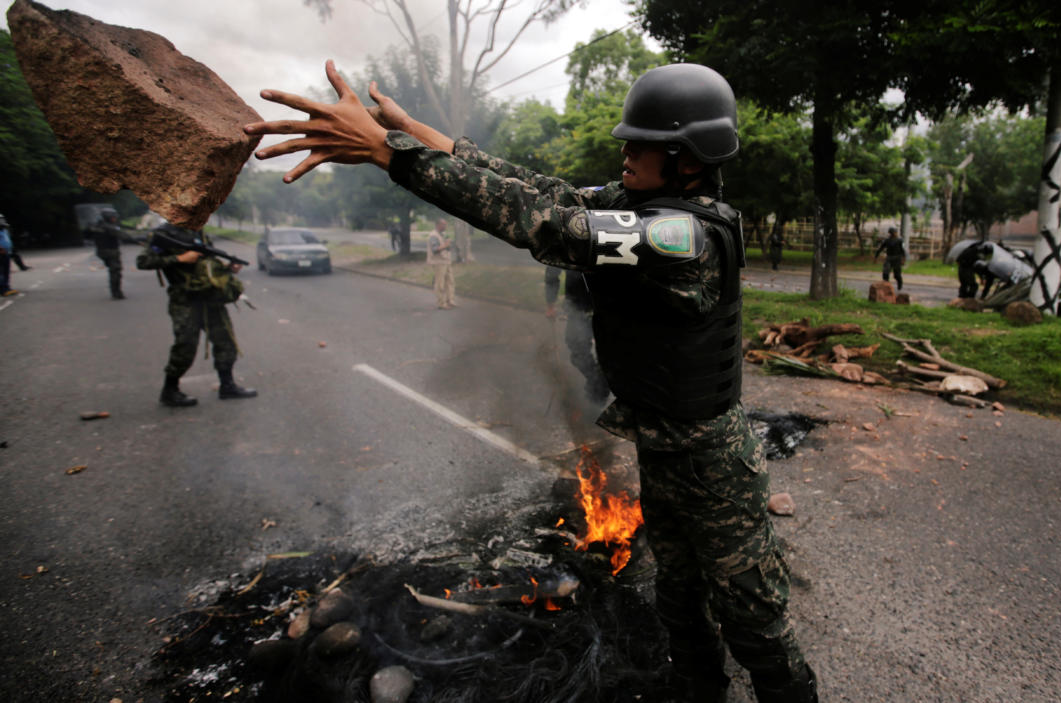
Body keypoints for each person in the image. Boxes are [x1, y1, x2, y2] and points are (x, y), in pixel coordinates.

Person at [244, 60, 819, 703]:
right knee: (679, 606)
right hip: (665, 451)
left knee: (756, 627)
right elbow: (543, 191)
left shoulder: (683, 234)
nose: (625, 152)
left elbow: (542, 224)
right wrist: (417, 134)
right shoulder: (643, 207)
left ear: (687, 157)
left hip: (713, 465)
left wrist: (386, 154)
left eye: (641, 144)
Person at [135, 222, 257, 406]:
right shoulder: (163, 234)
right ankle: (170, 391)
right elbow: (143, 262)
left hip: (209, 296)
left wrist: (228, 267)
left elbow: (208, 262)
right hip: (185, 300)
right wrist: (180, 259)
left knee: (225, 341)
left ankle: (227, 385)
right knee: (185, 346)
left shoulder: (197, 230)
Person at [544, 265, 609, 405]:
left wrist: (550, 304)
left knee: (584, 349)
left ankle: (598, 388)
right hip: (582, 305)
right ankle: (598, 385)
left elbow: (552, 269)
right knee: (579, 348)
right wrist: (550, 302)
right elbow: (552, 269)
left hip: (597, 304)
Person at [85, 209, 141, 299]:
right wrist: (138, 241)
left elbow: (87, 236)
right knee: (115, 271)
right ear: (108, 218)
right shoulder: (110, 227)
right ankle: (116, 292)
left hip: (101, 252)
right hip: (111, 251)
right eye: (113, 217)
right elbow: (124, 236)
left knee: (112, 270)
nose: (114, 219)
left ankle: (115, 291)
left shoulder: (95, 226)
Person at [427, 217, 455, 309]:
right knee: (440, 284)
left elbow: (445, 247)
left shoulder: (442, 234)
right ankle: (441, 303)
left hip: (446, 261)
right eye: (443, 224)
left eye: (445, 224)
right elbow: (435, 249)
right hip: (438, 262)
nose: (445, 226)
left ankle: (450, 300)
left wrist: (448, 245)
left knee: (450, 282)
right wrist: (445, 245)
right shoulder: (433, 235)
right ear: (438, 225)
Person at [0, 213, 16, 297]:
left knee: (6, 271)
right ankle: (3, 289)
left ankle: (6, 287)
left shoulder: (4, 230)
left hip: (6, 253)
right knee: (1, 272)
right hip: (1, 253)